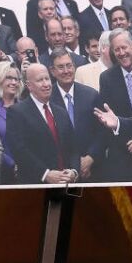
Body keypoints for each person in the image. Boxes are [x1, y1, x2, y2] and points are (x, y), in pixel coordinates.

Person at [6, 63, 79, 184]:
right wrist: (45, 174)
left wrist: (74, 172)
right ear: (29, 85)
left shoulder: (61, 112)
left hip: (66, 184)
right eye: (40, 80)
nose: (46, 84)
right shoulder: (17, 112)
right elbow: (19, 150)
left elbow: (74, 147)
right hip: (36, 186)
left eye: (47, 79)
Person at [98, 28, 132, 181]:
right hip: (122, 152)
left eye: (124, 47)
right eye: (117, 49)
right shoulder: (107, 78)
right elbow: (109, 119)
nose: (121, 53)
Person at [48, 48, 105, 182]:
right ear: (52, 71)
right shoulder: (47, 99)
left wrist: (90, 158)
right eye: (61, 67)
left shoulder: (91, 95)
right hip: (59, 173)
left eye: (69, 66)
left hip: (92, 170)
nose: (66, 71)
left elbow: (102, 131)